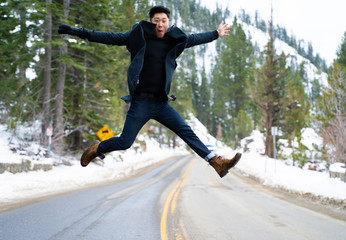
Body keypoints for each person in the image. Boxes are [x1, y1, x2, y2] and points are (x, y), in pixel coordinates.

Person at [58, 5, 241, 178]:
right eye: (156, 20)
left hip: (161, 103)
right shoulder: (137, 37)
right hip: (141, 103)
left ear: (168, 23)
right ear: (150, 22)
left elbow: (194, 38)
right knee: (125, 142)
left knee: (186, 131)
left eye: (163, 20)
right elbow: (110, 37)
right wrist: (77, 32)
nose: (160, 24)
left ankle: (217, 163)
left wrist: (216, 34)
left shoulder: (174, 40)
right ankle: (98, 149)